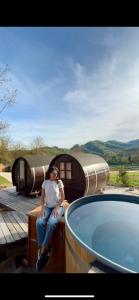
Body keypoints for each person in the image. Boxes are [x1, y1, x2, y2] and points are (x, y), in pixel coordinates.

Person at [36, 165, 65, 272]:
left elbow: (63, 197)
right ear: (49, 173)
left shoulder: (59, 182)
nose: (54, 175)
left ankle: (43, 249)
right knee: (39, 222)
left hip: (58, 207)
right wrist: (42, 208)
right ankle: (45, 248)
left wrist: (57, 208)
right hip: (47, 207)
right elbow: (42, 197)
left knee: (51, 223)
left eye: (56, 174)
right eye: (52, 173)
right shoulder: (45, 183)